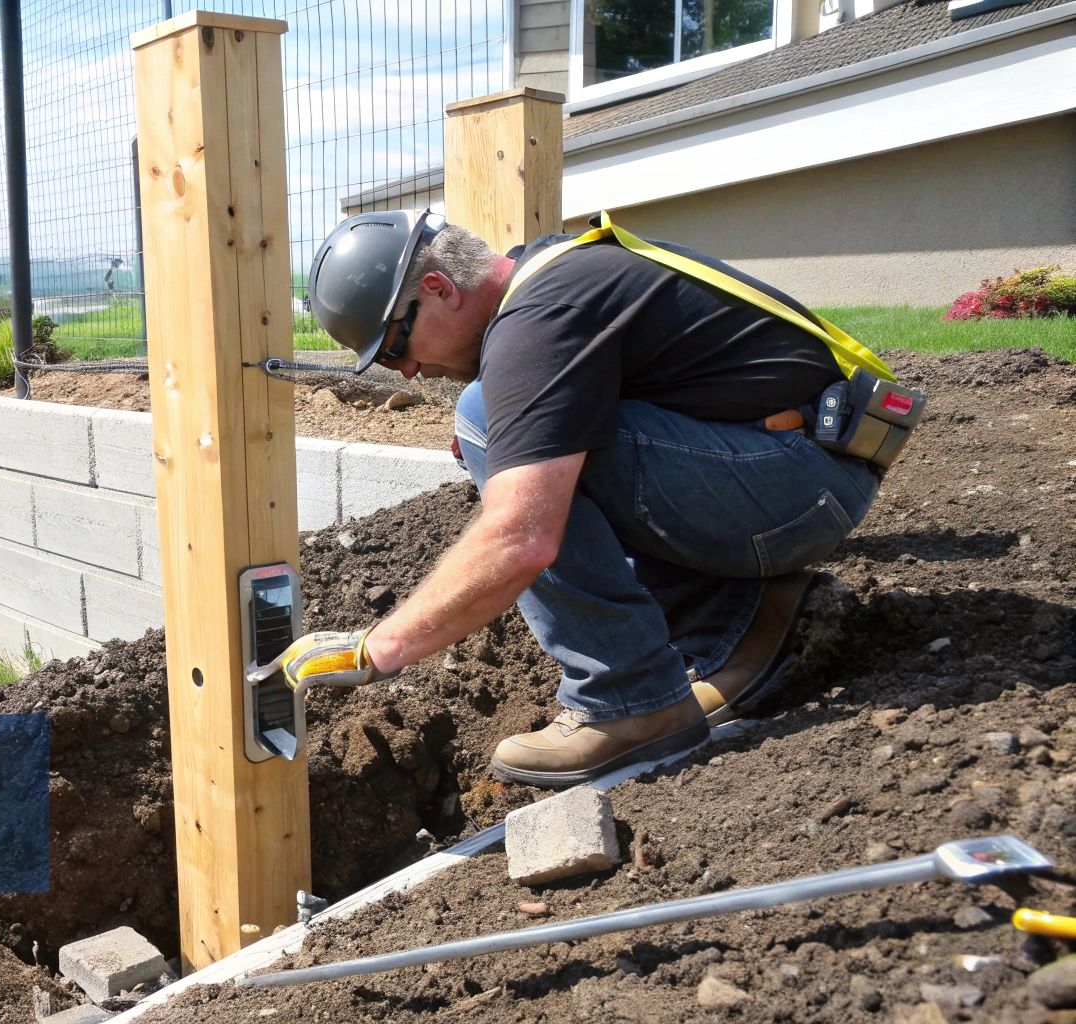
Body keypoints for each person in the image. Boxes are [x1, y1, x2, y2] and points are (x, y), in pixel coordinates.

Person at [255, 210, 886, 788]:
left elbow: (520, 537)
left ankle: (629, 700)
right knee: (516, 432)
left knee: (484, 419)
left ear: (441, 289)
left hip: (798, 487)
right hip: (799, 473)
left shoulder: (539, 319)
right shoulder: (554, 278)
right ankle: (738, 617)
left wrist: (379, 647)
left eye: (394, 348)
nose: (408, 374)